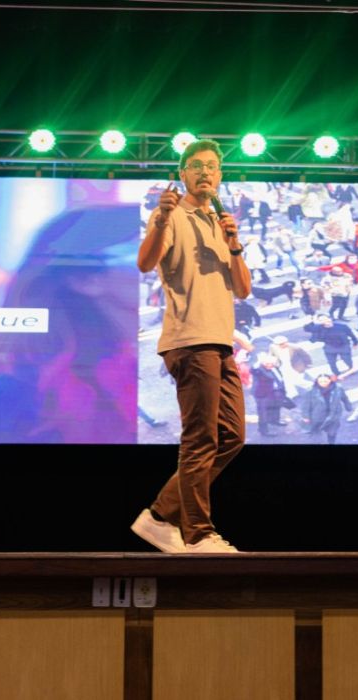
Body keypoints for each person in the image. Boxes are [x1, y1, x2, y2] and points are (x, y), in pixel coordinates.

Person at [130, 139, 251, 555]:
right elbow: (145, 263)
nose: (205, 172)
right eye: (196, 166)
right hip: (190, 339)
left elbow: (243, 289)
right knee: (200, 439)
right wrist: (162, 218)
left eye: (212, 166)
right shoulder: (171, 214)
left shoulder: (220, 221)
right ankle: (197, 533)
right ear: (182, 173)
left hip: (220, 341)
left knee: (232, 436)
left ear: (220, 175)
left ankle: (160, 515)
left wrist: (234, 243)